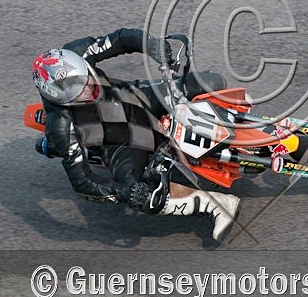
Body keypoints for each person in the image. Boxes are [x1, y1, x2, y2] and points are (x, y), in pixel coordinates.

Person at [31, 27, 240, 242]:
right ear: (61, 101)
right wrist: (123, 193)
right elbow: (82, 183)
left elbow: (120, 39)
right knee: (145, 198)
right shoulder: (61, 128)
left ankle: (249, 123)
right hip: (117, 142)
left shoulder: (77, 51)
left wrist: (152, 46)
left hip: (134, 98)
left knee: (209, 82)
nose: (87, 90)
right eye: (78, 93)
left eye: (85, 80)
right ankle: (217, 205)